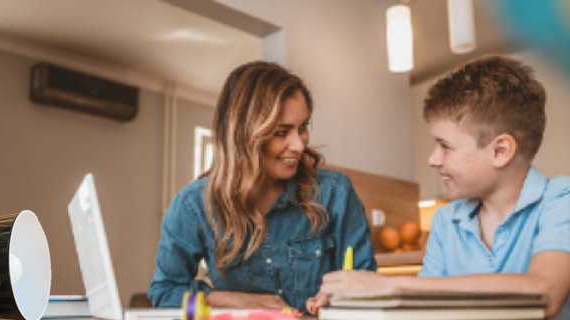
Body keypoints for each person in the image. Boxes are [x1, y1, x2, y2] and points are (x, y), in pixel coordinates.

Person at [307, 56, 570, 318]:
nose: (433, 159)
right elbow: (421, 310)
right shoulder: (447, 220)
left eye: (445, 146)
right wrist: (353, 300)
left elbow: (544, 294)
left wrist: (386, 284)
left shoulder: (560, 201)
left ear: (500, 151)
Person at [148, 61, 376, 312]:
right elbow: (165, 292)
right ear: (243, 136)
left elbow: (369, 288)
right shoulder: (193, 205)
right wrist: (231, 300)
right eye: (281, 132)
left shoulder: (335, 193)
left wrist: (343, 298)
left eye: (302, 128)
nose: (299, 145)